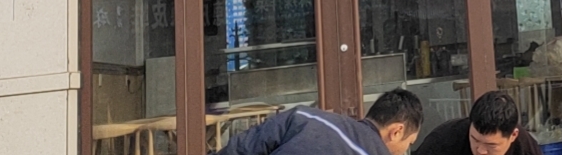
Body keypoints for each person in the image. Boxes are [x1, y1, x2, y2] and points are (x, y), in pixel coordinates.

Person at [219, 89, 423, 155]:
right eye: (409, 143)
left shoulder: (306, 117)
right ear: (396, 131)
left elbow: (242, 148)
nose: (405, 151)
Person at [413, 91, 543, 155]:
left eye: (491, 145)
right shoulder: (443, 142)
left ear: (513, 136)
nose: (480, 151)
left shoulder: (525, 148)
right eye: (475, 139)